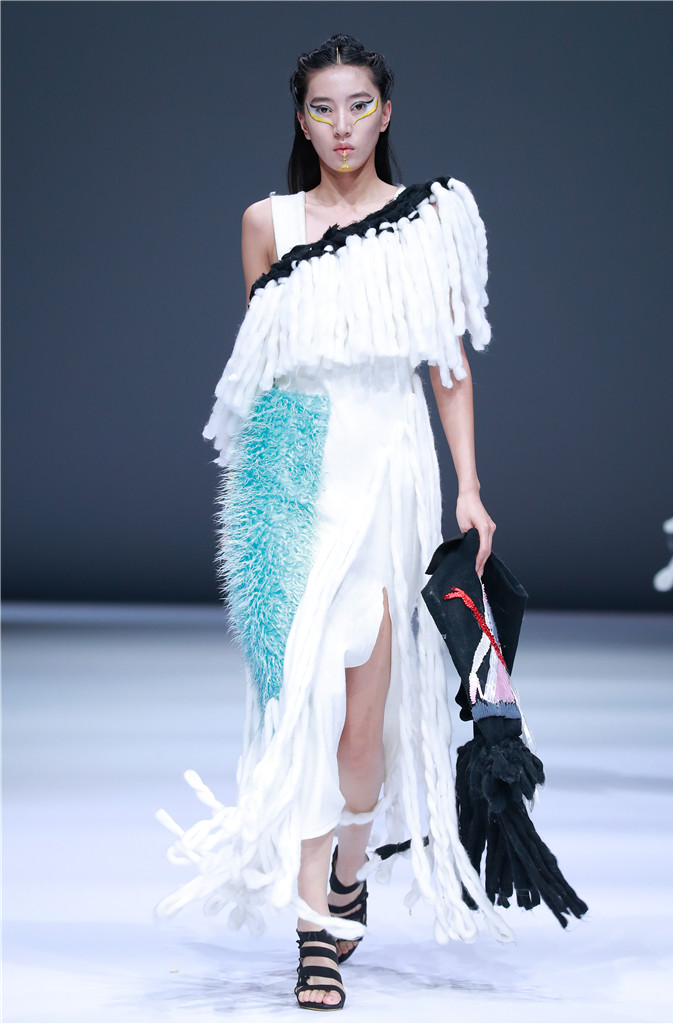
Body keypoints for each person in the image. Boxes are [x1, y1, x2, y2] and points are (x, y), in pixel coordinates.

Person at [156, 33, 514, 1011]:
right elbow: (266, 362)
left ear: (385, 114)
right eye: (323, 108)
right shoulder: (266, 224)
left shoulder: (424, 221)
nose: (342, 126)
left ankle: (352, 866)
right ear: (301, 120)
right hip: (298, 477)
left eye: (359, 106)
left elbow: (446, 364)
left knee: (364, 725)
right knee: (304, 703)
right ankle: (315, 926)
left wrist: (467, 485)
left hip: (389, 474)